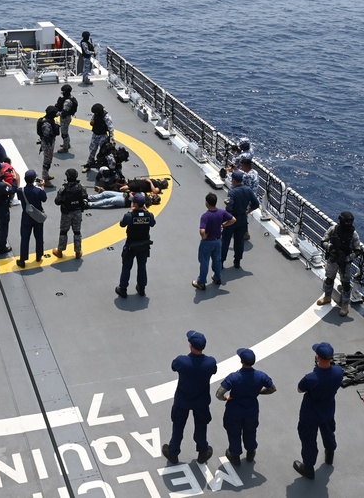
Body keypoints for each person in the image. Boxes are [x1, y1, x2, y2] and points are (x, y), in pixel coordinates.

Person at [164, 330, 217, 465]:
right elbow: (214, 370)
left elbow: (173, 366)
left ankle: (173, 452)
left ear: (191, 346)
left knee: (178, 427)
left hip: (183, 401)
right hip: (201, 401)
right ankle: (202, 452)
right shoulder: (210, 362)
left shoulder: (182, 361)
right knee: (201, 427)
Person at [216, 348, 276, 465]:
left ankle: (235, 455)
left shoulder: (233, 377)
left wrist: (225, 398)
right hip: (251, 410)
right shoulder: (261, 376)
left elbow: (219, 394)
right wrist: (259, 392)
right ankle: (250, 452)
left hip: (234, 410)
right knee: (250, 431)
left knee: (234, 432)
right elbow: (272, 388)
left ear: (241, 362)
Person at [293, 342, 344, 480]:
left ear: (317, 357)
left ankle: (308, 468)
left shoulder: (310, 378)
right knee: (328, 432)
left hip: (310, 414)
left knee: (309, 440)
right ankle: (329, 455)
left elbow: (299, 389)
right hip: (327, 410)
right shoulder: (339, 371)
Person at [316, 211, 362, 316]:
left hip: (345, 262)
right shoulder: (333, 229)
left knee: (345, 284)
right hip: (333, 259)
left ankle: (345, 305)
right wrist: (330, 248)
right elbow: (323, 241)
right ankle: (327, 297)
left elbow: (358, 250)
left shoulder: (353, 234)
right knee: (329, 278)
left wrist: (348, 258)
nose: (348, 225)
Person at [115, 192, 156, 298]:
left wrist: (130, 211)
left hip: (131, 245)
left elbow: (122, 224)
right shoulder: (149, 215)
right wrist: (146, 211)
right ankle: (141, 288)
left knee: (127, 267)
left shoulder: (129, 216)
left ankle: (123, 289)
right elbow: (153, 223)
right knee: (142, 266)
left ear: (136, 204)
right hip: (144, 245)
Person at [194, 193, 236, 290]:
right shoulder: (221, 212)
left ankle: (201, 282)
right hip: (218, 241)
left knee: (204, 262)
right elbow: (233, 219)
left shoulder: (205, 216)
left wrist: (204, 237)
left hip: (207, 242)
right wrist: (223, 225)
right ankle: (217, 277)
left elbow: (202, 231)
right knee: (217, 260)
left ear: (207, 203)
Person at [51, 168, 87, 260]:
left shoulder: (63, 189)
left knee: (63, 232)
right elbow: (85, 196)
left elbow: (57, 201)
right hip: (78, 212)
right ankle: (78, 252)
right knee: (77, 232)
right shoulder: (81, 187)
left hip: (66, 213)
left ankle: (60, 251)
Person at [221, 170, 253, 269]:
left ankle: (221, 262)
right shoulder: (248, 190)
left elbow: (229, 207)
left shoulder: (233, 192)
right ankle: (237, 261)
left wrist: (227, 219)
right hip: (243, 219)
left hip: (232, 219)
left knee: (225, 241)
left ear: (234, 180)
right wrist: (247, 211)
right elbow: (255, 203)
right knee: (239, 241)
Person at [17, 170, 48, 268]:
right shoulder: (38, 191)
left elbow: (19, 198)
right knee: (39, 236)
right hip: (37, 217)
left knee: (25, 238)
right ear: (34, 179)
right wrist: (42, 187)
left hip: (26, 217)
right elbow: (44, 199)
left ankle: (22, 260)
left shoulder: (20, 191)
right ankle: (39, 255)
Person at [83, 103, 113, 172]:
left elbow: (111, 128)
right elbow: (92, 120)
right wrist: (92, 122)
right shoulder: (96, 114)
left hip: (103, 136)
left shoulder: (106, 117)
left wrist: (112, 139)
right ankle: (89, 164)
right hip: (95, 134)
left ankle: (103, 166)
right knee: (92, 149)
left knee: (103, 152)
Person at [37, 106, 59, 187]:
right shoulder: (46, 124)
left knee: (48, 161)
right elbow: (46, 136)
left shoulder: (46, 120)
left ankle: (46, 175)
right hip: (48, 144)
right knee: (47, 162)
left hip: (48, 143)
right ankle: (45, 179)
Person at [55, 84, 78, 153]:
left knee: (64, 133)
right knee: (65, 132)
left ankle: (65, 148)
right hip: (67, 118)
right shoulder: (70, 98)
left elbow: (64, 112)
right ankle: (67, 144)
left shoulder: (67, 101)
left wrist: (55, 114)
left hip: (65, 118)